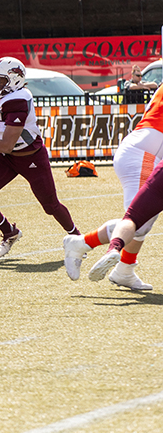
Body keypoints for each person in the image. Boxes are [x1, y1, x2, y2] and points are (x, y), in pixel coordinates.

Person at [0, 57, 81, 258]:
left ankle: (78, 239)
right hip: (6, 158)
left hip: (30, 156)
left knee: (50, 205)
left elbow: (7, 144)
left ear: (14, 81)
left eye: (0, 80)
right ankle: (9, 232)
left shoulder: (19, 99)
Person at [62, 80, 163, 289]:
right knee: (138, 220)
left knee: (143, 221)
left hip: (142, 150)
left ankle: (125, 270)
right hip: (144, 154)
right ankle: (81, 243)